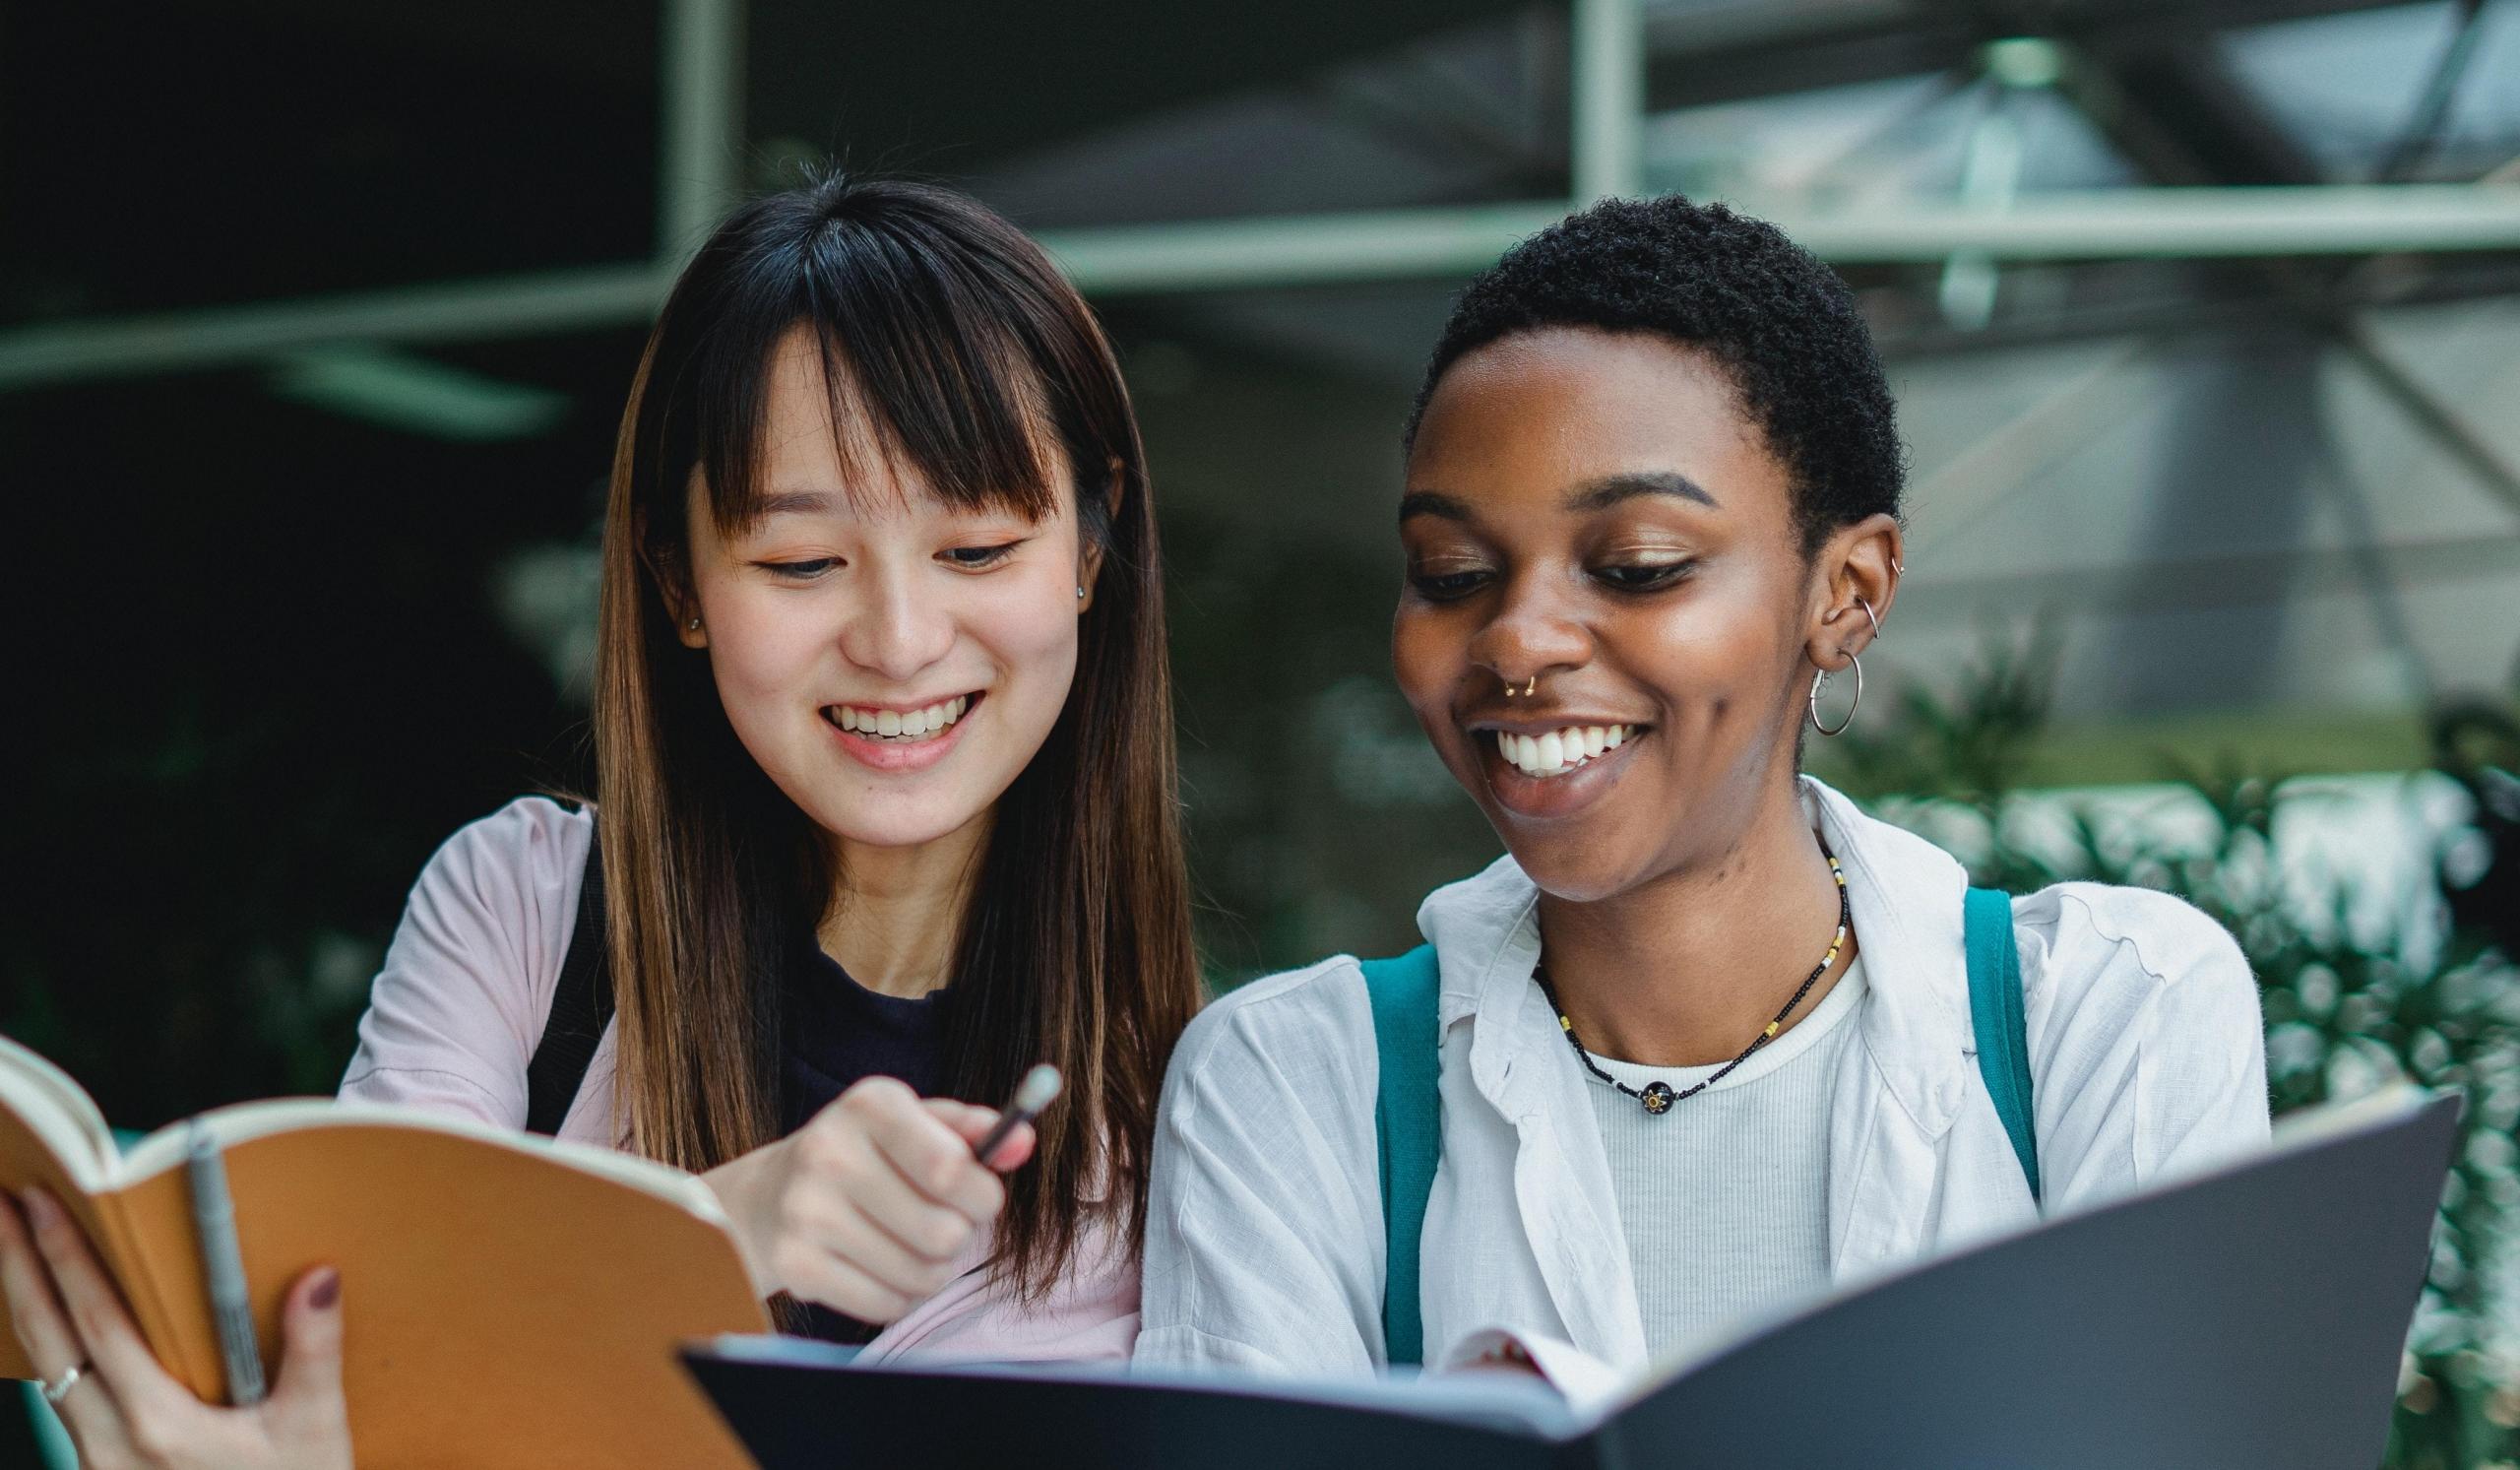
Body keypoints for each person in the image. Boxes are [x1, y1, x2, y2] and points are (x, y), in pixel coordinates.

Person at [2, 171, 1203, 1466]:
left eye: (975, 551)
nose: (901, 642)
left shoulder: (1210, 1106)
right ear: (676, 580)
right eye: (802, 562)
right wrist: (713, 1237)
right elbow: (361, 1367)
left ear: (1088, 551)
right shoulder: (524, 911)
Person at [1136, 194, 2271, 1378]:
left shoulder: (2096, 1017)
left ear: (1846, 591)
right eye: (1452, 570)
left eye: (1638, 566)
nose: (1516, 641)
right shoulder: (1299, 1087)